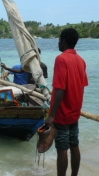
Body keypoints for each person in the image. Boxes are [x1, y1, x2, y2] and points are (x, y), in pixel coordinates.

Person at [45, 28, 88, 176]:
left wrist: (52, 115)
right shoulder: (81, 61)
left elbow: (60, 90)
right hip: (74, 113)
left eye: (59, 40)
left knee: (62, 148)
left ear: (63, 41)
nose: (58, 43)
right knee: (74, 144)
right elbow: (81, 86)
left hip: (62, 114)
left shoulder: (61, 59)